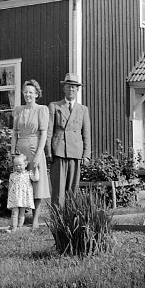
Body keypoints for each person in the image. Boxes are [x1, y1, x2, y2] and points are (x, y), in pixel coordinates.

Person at [46, 72, 91, 208]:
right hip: (58, 151)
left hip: (75, 152)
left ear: (77, 89)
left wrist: (86, 155)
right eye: (68, 86)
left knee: (73, 189)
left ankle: (70, 220)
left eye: (74, 87)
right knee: (58, 190)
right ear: (64, 88)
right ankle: (57, 220)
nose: (71, 89)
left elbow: (86, 134)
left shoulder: (83, 109)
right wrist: (48, 151)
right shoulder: (55, 106)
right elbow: (49, 131)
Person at [10, 79, 50, 228]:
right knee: (21, 183)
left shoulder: (41, 109)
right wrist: (13, 151)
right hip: (21, 150)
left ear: (37, 94)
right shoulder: (19, 110)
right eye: (26, 92)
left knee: (36, 182)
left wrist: (39, 153)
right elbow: (14, 132)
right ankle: (19, 219)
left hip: (35, 148)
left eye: (31, 92)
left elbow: (44, 133)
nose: (28, 94)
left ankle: (35, 220)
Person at [6, 153, 39, 232]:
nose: (18, 167)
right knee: (14, 213)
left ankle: (19, 228)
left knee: (21, 213)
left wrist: (36, 169)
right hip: (15, 197)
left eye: (20, 165)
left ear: (26, 164)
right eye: (16, 165)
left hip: (24, 197)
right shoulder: (12, 175)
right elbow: (10, 186)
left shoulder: (28, 173)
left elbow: (36, 178)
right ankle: (13, 228)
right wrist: (9, 197)